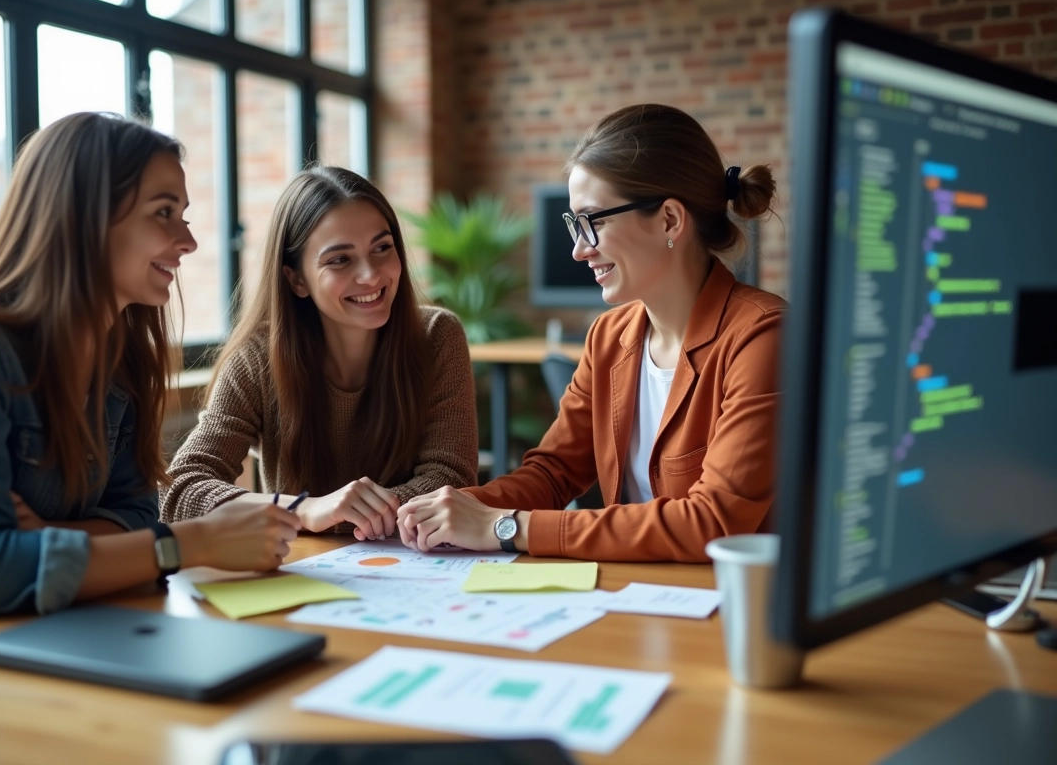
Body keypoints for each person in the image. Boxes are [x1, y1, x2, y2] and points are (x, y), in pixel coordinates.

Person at [0, 113, 299, 647]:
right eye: (164, 213)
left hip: (68, 634)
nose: (188, 241)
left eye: (183, 215)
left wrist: (44, 538)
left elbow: (139, 513)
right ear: (85, 218)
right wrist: (189, 543)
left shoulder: (122, 357)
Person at [398, 104, 786, 562]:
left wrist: (504, 527)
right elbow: (553, 472)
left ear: (669, 221)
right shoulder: (610, 336)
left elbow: (712, 521)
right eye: (574, 224)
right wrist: (447, 510)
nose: (580, 250)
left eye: (593, 221)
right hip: (641, 596)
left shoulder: (763, 337)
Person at [162, 166, 477, 541]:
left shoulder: (437, 335)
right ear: (296, 279)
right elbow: (179, 490)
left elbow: (450, 477)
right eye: (340, 260)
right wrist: (303, 510)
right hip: (301, 572)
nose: (371, 276)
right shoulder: (256, 359)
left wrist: (343, 515)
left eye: (382, 248)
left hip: (413, 568)